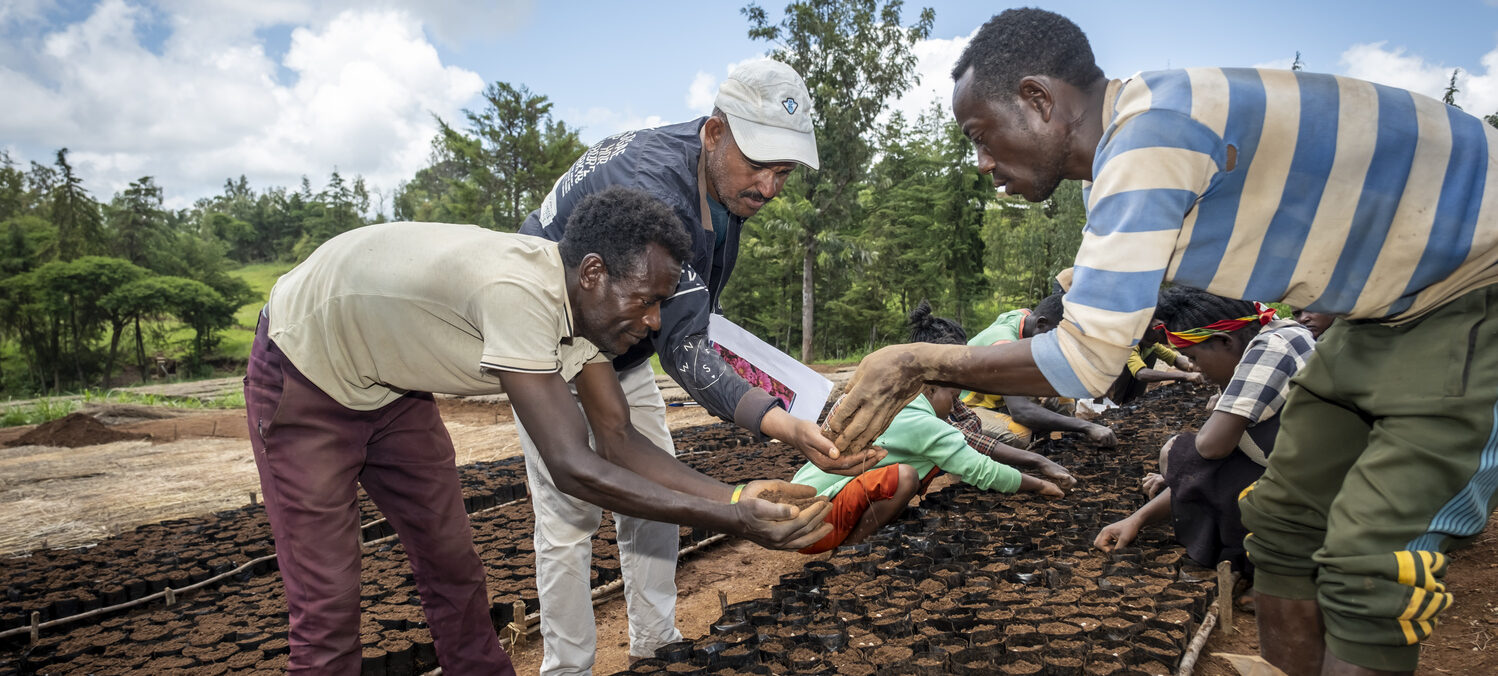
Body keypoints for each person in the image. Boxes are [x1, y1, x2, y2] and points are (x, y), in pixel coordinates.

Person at [824, 9, 1498, 674]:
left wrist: (916, 360)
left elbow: (1085, 360)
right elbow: (1104, 339)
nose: (980, 161)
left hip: (1468, 291)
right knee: (1281, 523)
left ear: (1038, 101)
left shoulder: (1150, 138)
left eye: (981, 133)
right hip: (1378, 313)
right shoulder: (1129, 158)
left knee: (1365, 560)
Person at [245, 187, 832, 674]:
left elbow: (619, 440)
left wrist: (735, 495)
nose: (655, 322)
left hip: (391, 388)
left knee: (452, 563)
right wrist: (731, 521)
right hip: (306, 370)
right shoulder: (521, 293)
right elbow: (572, 466)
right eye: (648, 300)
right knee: (328, 603)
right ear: (594, 274)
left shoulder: (587, 314)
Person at [516, 60, 873, 674]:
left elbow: (694, 322)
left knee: (658, 493)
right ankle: (568, 668)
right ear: (714, 133)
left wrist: (794, 406)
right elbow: (683, 348)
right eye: (757, 164)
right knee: (569, 516)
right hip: (550, 346)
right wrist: (784, 425)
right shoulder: (658, 192)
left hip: (622, 346)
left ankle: (655, 646)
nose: (768, 187)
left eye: (782, 172)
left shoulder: (719, 187)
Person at [792, 302, 1064, 554]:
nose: (957, 404)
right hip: (814, 523)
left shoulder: (911, 402)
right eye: (955, 397)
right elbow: (980, 469)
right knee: (905, 477)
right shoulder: (921, 421)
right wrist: (1039, 485)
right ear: (932, 386)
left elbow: (967, 436)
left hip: (805, 512)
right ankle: (850, 550)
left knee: (914, 468)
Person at [1094, 289, 1315, 580]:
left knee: (1180, 451)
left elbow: (1211, 449)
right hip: (1307, 477)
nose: (1195, 368)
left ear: (1225, 341)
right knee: (1186, 459)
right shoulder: (1280, 333)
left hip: (1318, 497)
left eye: (1194, 357)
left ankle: (1268, 571)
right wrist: (1138, 519)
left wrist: (1177, 469)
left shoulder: (1271, 347)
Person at [960, 293, 1116, 448]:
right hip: (966, 407)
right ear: (1041, 324)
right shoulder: (1005, 346)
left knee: (1063, 398)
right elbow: (1021, 412)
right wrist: (1086, 426)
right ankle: (999, 459)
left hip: (999, 393)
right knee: (1019, 434)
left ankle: (1054, 443)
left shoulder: (1025, 317)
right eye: (1058, 340)